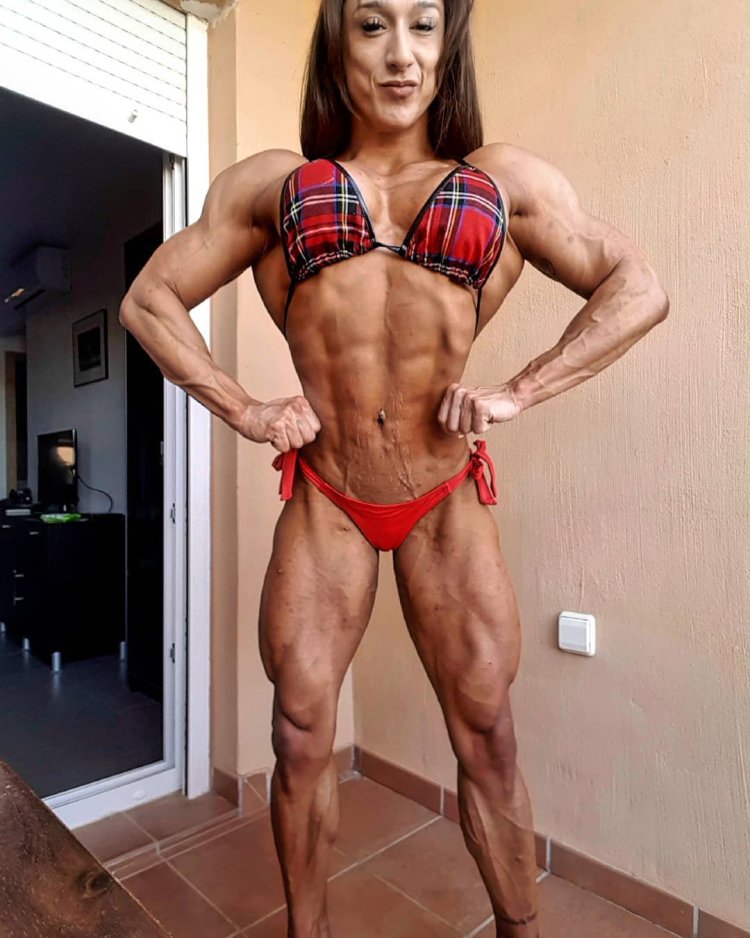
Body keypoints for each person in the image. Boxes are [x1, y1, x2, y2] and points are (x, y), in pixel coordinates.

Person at [119, 1, 669, 935]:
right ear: (339, 45)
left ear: (447, 44)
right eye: (374, 26)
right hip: (327, 495)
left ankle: (520, 929)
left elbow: (638, 288)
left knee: (488, 734)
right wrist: (247, 408)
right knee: (299, 734)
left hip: (443, 494)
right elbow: (149, 300)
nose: (402, 55)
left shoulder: (500, 182)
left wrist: (520, 390)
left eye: (423, 25)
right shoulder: (275, 186)